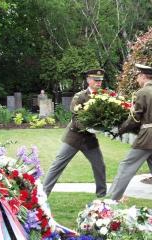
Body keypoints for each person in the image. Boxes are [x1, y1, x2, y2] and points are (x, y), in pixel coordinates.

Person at [108, 63, 152, 215]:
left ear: (143, 76)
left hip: (146, 137)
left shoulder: (141, 93)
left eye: (138, 76)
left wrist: (120, 129)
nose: (137, 79)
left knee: (126, 167)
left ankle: (110, 202)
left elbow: (135, 118)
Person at [43, 69, 107, 198]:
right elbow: (76, 118)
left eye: (100, 80)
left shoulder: (104, 96)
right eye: (96, 80)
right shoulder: (80, 96)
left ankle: (102, 196)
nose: (99, 83)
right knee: (57, 165)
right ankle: (43, 195)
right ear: (88, 80)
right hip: (74, 137)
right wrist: (89, 128)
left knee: (100, 166)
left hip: (89, 140)